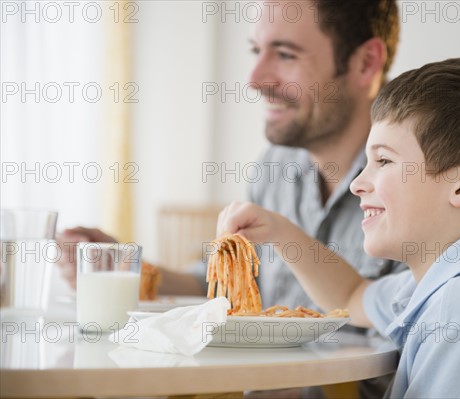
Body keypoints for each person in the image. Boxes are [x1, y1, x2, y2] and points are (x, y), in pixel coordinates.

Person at [58, 0, 402, 397]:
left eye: (286, 54)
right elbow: (217, 283)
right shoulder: (275, 165)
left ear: (365, 63)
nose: (255, 79)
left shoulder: (417, 183)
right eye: (257, 52)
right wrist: (127, 270)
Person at [215, 58, 460, 398]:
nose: (357, 184)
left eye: (384, 160)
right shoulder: (443, 286)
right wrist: (278, 231)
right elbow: (350, 296)